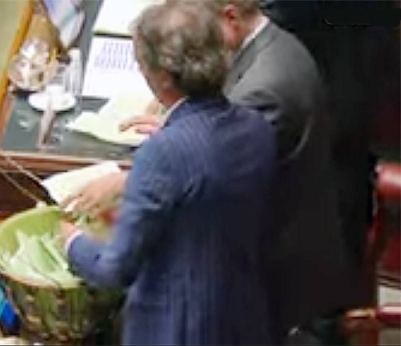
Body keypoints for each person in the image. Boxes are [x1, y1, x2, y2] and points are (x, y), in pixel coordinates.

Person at [63, 0, 362, 344]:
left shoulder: (261, 92)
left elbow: (115, 268)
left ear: (230, 17)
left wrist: (76, 234)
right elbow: (218, 137)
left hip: (253, 281)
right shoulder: (274, 49)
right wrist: (178, 121)